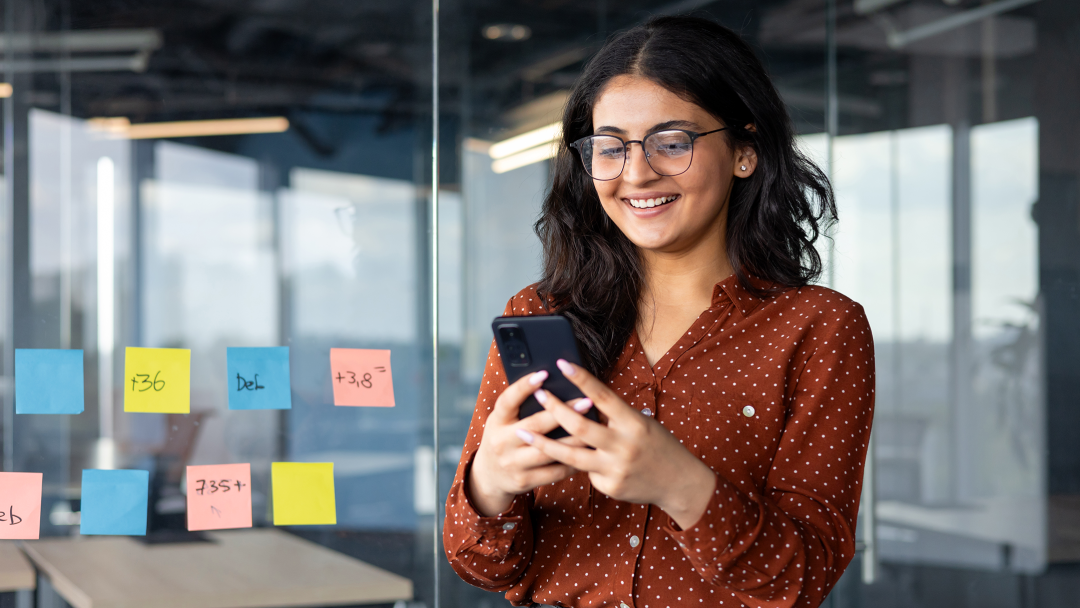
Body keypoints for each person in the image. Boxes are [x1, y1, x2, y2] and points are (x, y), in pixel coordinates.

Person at [443, 14, 875, 608]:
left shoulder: (820, 328)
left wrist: (680, 484)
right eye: (610, 148)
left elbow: (803, 579)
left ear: (744, 151)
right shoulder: (540, 313)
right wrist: (490, 482)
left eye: (671, 143)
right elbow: (482, 565)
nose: (636, 174)